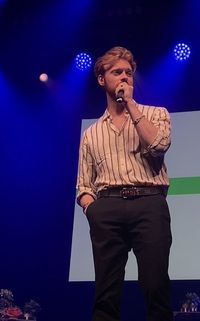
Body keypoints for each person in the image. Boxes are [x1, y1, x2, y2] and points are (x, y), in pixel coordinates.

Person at [76, 46, 173, 321]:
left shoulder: (156, 114)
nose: (124, 77)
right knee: (106, 294)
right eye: (116, 72)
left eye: (129, 73)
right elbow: (83, 185)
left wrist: (131, 106)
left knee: (155, 286)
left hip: (148, 203)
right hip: (107, 208)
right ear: (101, 79)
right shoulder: (91, 133)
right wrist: (92, 210)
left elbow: (159, 145)